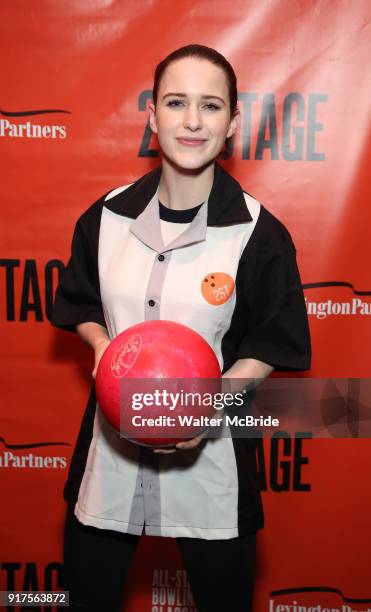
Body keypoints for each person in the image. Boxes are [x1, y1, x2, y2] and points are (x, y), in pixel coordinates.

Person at [51, 44, 311, 612]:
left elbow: (273, 341)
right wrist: (101, 345)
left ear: (233, 124)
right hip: (109, 468)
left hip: (212, 466)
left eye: (211, 106)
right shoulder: (106, 216)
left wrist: (212, 404)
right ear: (152, 115)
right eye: (176, 102)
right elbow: (81, 305)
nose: (192, 121)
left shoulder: (258, 234)